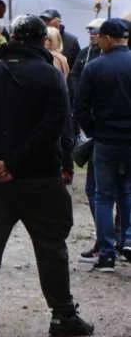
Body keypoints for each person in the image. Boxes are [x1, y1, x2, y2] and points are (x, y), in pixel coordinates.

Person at [0, 14, 94, 337]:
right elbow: (54, 128)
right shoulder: (50, 78)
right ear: (42, 42)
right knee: (51, 247)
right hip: (39, 178)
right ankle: (62, 314)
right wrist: (15, 163)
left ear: (12, 38)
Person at [74, 17, 131, 271]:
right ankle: (128, 240)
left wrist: (95, 130)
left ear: (107, 39)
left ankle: (106, 252)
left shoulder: (95, 67)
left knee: (104, 196)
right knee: (128, 191)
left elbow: (81, 108)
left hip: (106, 140)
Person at [69, 18, 105, 261]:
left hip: (102, 133)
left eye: (96, 32)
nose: (92, 35)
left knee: (101, 190)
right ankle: (107, 239)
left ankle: (112, 240)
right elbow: (74, 81)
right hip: (96, 131)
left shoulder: (102, 62)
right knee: (100, 191)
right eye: (90, 31)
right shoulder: (84, 54)